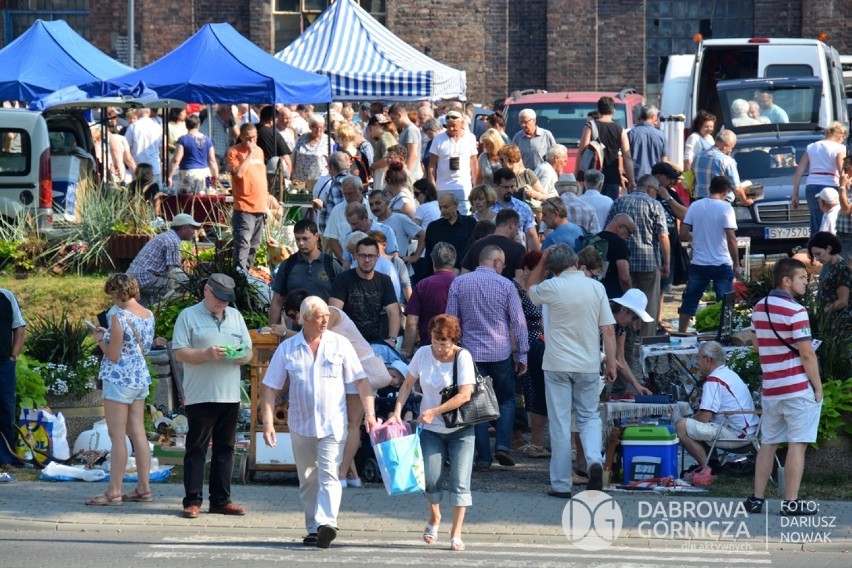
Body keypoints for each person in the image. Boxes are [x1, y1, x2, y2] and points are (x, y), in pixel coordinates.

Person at [261, 296, 376, 548]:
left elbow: (361, 381)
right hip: (300, 424)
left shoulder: (340, 344)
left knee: (329, 475)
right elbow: (270, 388)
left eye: (326, 316)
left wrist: (369, 414)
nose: (325, 321)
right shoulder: (288, 348)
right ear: (304, 319)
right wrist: (268, 423)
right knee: (308, 479)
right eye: (319, 317)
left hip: (332, 424)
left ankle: (327, 524)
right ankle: (313, 527)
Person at [526, 244, 616, 497]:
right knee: (588, 417)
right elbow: (608, 329)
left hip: (556, 364)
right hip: (588, 364)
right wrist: (610, 363)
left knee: (560, 422)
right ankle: (594, 460)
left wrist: (542, 263)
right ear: (576, 263)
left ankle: (561, 484)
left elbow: (529, 289)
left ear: (553, 268)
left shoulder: (552, 287)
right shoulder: (596, 287)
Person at [387, 314, 476, 552]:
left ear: (454, 339)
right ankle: (434, 518)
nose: (439, 346)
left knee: (460, 482)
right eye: (436, 340)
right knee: (430, 479)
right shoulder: (423, 353)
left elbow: (464, 395)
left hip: (461, 429)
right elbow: (407, 384)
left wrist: (434, 411)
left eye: (444, 342)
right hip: (431, 430)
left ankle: (456, 533)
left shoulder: (462, 356)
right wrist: (397, 411)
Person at [746, 258, 823, 517]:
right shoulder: (797, 312)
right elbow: (807, 355)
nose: (806, 282)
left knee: (768, 444)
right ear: (786, 280)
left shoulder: (758, 307)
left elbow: (757, 347)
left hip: (771, 388)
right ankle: (791, 502)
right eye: (802, 278)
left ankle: (757, 499)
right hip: (796, 387)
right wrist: (818, 387)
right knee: (797, 444)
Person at [172, 274, 253, 519]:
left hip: (230, 394)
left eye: (227, 299)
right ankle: (192, 501)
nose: (222, 303)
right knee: (196, 448)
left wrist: (242, 357)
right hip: (201, 393)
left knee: (225, 448)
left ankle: (221, 501)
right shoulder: (188, 316)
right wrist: (206, 354)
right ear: (206, 290)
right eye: (219, 298)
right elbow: (179, 353)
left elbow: (248, 350)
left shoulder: (236, 317)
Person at [446, 245, 529, 471]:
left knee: (475, 404)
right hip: (500, 352)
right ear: (495, 262)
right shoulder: (506, 285)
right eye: (502, 263)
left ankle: (483, 457)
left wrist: (451, 350)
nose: (503, 268)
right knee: (507, 399)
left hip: (471, 353)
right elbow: (519, 323)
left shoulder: (459, 283)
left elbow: (451, 320)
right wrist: (522, 354)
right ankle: (502, 444)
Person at [84, 274, 155, 506]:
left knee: (117, 437)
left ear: (117, 293)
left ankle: (113, 492)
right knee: (138, 433)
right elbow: (135, 346)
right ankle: (144, 488)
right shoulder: (148, 314)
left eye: (112, 295)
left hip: (119, 379)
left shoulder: (118, 316)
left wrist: (98, 339)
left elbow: (113, 355)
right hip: (139, 377)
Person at [604, 174, 670, 337]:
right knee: (649, 305)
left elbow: (609, 229)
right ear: (649, 188)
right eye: (655, 190)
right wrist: (666, 262)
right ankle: (646, 342)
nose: (656, 193)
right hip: (649, 262)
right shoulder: (654, 204)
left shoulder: (619, 202)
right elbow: (662, 236)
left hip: (623, 263)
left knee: (626, 305)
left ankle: (627, 340)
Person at [675, 341, 757, 466]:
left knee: (682, 425)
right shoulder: (728, 373)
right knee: (697, 425)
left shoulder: (714, 379)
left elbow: (704, 417)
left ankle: (706, 468)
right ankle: (713, 465)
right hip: (750, 431)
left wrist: (690, 419)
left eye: (698, 358)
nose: (697, 362)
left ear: (708, 359)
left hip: (738, 435)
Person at [677, 175, 740, 332]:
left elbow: (683, 233)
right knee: (725, 302)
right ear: (725, 191)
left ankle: (681, 331)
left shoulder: (695, 206)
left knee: (690, 299)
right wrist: (737, 264)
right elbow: (731, 238)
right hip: (721, 262)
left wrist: (697, 238)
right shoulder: (726, 208)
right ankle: (726, 332)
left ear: (710, 188)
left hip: (699, 262)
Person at [511, 250, 550, 458]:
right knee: (521, 391)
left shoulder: (540, 288)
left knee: (534, 391)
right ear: (526, 269)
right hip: (524, 342)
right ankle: (517, 435)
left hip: (539, 341)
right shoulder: (515, 288)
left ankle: (529, 436)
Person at [269, 219, 341, 325]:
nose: (301, 243)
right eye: (297, 239)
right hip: (293, 328)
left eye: (305, 238)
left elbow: (339, 303)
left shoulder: (331, 265)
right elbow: (277, 301)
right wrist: (272, 330)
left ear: (316, 237)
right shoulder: (288, 265)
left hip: (323, 327)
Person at [330, 237, 400, 346]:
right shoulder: (342, 279)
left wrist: (392, 339)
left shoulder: (384, 280)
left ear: (377, 257)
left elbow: (393, 311)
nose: (367, 260)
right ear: (356, 256)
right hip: (347, 342)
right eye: (363, 256)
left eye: (371, 256)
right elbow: (334, 312)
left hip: (375, 342)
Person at [127, 214, 201, 302]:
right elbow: (174, 271)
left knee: (144, 309)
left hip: (134, 276)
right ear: (184, 229)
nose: (194, 232)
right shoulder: (172, 241)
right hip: (145, 278)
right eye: (192, 228)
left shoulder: (166, 236)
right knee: (180, 288)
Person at [792, 121, 848, 236]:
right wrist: (845, 187)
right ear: (841, 135)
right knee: (832, 220)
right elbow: (842, 170)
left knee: (816, 221)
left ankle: (814, 250)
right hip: (831, 185)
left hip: (811, 185)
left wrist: (795, 194)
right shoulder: (840, 148)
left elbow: (799, 171)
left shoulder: (812, 147)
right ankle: (830, 250)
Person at [576, 96, 635, 199]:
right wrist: (631, 180)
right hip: (612, 178)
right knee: (609, 210)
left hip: (592, 179)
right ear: (613, 111)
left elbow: (582, 152)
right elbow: (627, 156)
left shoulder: (590, 126)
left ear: (598, 110)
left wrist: (577, 175)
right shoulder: (620, 130)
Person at [404, 242, 457, 358]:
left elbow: (411, 322)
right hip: (456, 349)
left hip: (428, 349)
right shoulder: (461, 284)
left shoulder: (423, 285)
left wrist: (408, 352)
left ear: (433, 261)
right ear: (453, 261)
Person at [227, 123, 268, 271]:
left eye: (254, 138)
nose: (252, 142)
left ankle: (248, 276)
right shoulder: (234, 152)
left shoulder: (260, 151)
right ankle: (239, 276)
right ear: (241, 137)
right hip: (244, 206)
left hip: (260, 205)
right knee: (243, 244)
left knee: (254, 245)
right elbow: (238, 174)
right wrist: (249, 155)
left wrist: (267, 199)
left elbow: (261, 177)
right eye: (248, 138)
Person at [428, 110, 479, 214]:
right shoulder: (438, 139)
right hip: (442, 188)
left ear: (462, 123)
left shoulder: (470, 138)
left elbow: (474, 163)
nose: (451, 129)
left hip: (464, 187)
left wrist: (476, 187)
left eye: (454, 126)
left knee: (464, 218)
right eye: (448, 126)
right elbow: (431, 166)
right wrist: (433, 188)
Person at [609, 289, 655, 396]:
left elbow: (621, 359)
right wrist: (609, 359)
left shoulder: (621, 326)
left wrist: (636, 385)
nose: (633, 322)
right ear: (624, 309)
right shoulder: (602, 313)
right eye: (635, 317)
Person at [0, 288, 25, 483]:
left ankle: (7, 457)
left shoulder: (6, 296)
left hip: (4, 364)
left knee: (5, 409)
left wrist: (13, 356)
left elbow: (19, 327)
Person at [691, 130, 754, 204]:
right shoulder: (727, 161)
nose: (730, 150)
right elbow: (737, 188)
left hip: (700, 203)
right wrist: (745, 201)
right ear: (725, 146)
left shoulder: (698, 157)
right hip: (721, 203)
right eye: (731, 147)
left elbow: (693, 181)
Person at [461, 208, 526, 278]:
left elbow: (464, 274)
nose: (517, 231)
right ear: (512, 225)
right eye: (518, 227)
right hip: (507, 288)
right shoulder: (519, 249)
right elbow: (520, 280)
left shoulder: (476, 244)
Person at [423, 193, 477, 274]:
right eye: (440, 207)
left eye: (446, 207)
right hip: (440, 274)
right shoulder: (433, 227)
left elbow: (473, 249)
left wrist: (460, 268)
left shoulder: (470, 223)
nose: (443, 211)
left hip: (465, 272)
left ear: (456, 205)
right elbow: (429, 255)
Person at [368, 189, 425, 265]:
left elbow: (422, 235)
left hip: (402, 269)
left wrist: (415, 257)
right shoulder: (373, 224)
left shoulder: (400, 218)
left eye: (378, 203)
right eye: (371, 204)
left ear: (387, 203)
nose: (374, 207)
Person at [167, 114, 219, 195]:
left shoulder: (183, 140)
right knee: (206, 198)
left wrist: (169, 176)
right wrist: (216, 176)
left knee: (189, 200)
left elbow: (176, 160)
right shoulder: (208, 140)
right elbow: (212, 161)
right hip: (206, 174)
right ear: (198, 125)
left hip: (189, 174)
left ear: (186, 125)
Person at [491, 167, 540, 250]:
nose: (510, 190)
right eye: (506, 187)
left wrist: (535, 258)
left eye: (512, 186)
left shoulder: (523, 208)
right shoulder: (487, 207)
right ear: (495, 186)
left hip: (518, 254)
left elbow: (532, 236)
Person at [323, 175, 370, 260]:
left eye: (351, 193)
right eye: (345, 194)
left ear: (360, 190)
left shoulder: (370, 208)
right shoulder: (337, 210)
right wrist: (345, 261)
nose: (348, 197)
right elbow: (332, 240)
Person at [807, 231, 851, 316]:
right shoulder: (832, 266)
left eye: (818, 254)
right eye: (814, 256)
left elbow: (843, 301)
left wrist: (820, 313)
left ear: (829, 248)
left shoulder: (841, 268)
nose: (816, 258)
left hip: (840, 323)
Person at [597, 213, 635, 298]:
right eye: (630, 232)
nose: (629, 237)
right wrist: (629, 296)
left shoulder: (595, 238)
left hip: (594, 293)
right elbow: (624, 278)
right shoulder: (620, 244)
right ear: (620, 227)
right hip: (612, 296)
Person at [628, 104, 668, 180]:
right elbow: (664, 161)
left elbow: (626, 157)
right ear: (653, 117)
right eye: (656, 117)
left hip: (636, 179)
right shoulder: (661, 135)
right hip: (654, 179)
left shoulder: (631, 134)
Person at [256, 105, 292, 189]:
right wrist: (286, 181)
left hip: (251, 173)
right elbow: (287, 161)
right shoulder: (275, 135)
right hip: (270, 176)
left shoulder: (249, 131)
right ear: (272, 119)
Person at [124, 109, 163, 185]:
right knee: (155, 192)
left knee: (137, 193)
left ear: (138, 112)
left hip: (138, 166)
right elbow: (161, 149)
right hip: (154, 167)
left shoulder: (133, 126)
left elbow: (125, 147)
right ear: (150, 112)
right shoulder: (158, 127)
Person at [292, 114, 330, 184]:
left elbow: (331, 160)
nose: (319, 130)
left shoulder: (328, 141)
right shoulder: (301, 139)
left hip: (319, 181)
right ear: (310, 126)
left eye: (321, 127)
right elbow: (294, 157)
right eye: (316, 127)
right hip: (300, 181)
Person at [389, 103, 422, 180]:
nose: (393, 122)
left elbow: (413, 155)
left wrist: (407, 176)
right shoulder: (405, 130)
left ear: (399, 114)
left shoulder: (411, 130)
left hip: (412, 176)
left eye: (393, 118)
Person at [201, 104, 239, 169]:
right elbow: (202, 138)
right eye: (230, 111)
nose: (231, 114)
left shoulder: (226, 124)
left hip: (224, 159)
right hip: (214, 158)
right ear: (223, 112)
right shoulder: (210, 121)